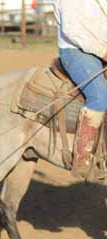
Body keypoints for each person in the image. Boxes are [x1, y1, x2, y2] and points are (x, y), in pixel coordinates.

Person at [55, 0, 107, 179]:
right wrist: (104, 51)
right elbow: (72, 30)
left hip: (101, 50)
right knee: (100, 96)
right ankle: (83, 156)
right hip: (76, 52)